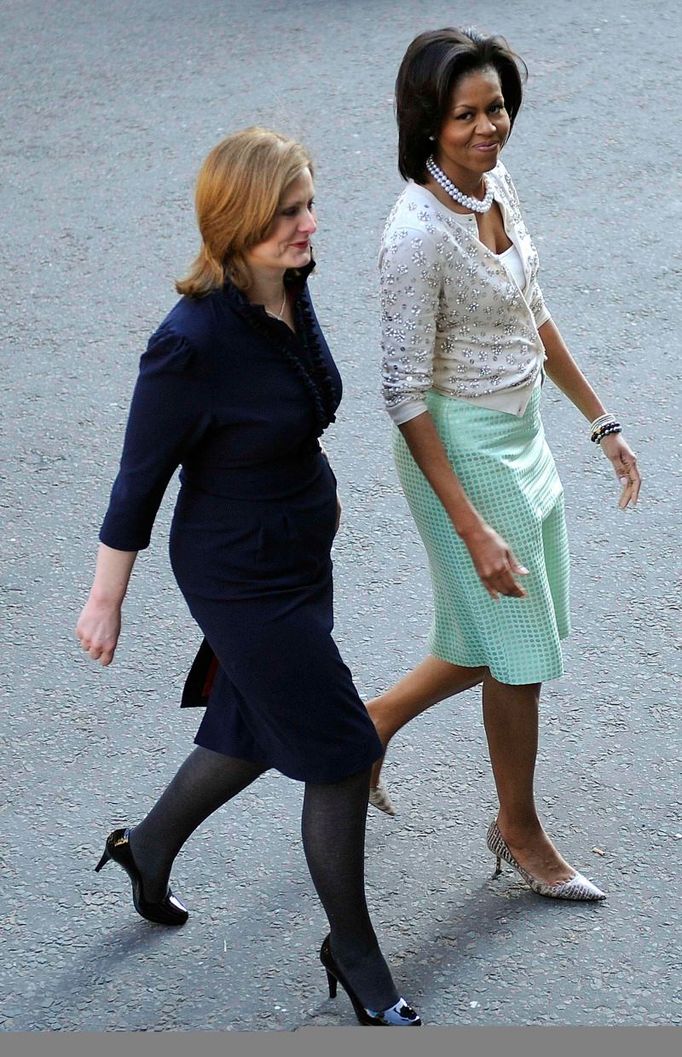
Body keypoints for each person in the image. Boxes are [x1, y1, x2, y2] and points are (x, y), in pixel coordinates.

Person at [75, 127, 420, 1027]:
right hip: (240, 576)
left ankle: (148, 849)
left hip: (300, 554)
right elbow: (137, 477)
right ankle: (354, 951)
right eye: (286, 214)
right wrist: (105, 598)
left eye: (307, 205)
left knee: (251, 725)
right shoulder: (187, 342)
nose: (308, 226)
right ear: (234, 223)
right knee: (343, 750)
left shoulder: (289, 289)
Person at [369, 28, 641, 900]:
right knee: (517, 649)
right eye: (466, 115)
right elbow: (404, 392)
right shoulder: (414, 234)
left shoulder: (495, 186)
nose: (490, 126)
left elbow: (534, 311)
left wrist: (601, 421)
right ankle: (518, 831)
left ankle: (368, 726)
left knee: (502, 635)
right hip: (461, 451)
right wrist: (470, 524)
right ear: (427, 123)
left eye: (496, 107)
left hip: (521, 435)